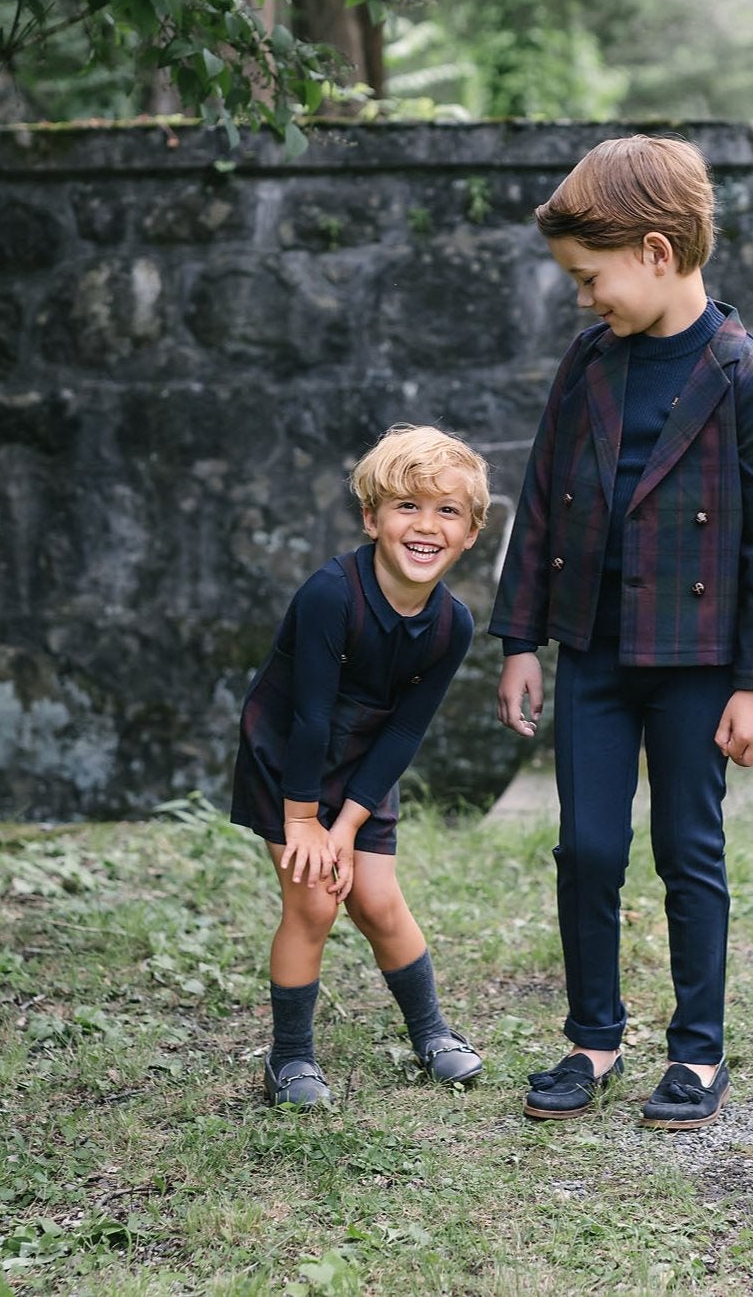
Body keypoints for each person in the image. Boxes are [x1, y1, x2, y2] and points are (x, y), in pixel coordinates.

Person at [491, 135, 753, 1131]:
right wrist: (518, 642)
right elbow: (541, 501)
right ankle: (592, 1037)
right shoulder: (589, 364)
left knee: (685, 846)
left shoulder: (745, 375)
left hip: (696, 663)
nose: (584, 298)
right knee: (584, 848)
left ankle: (697, 1053)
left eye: (591, 278)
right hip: (591, 654)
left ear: (656, 253)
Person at [232, 425, 491, 1107]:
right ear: (372, 518)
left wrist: (344, 826)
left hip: (365, 763)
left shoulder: (452, 624)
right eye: (406, 506)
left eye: (447, 511)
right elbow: (310, 717)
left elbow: (406, 728)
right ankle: (288, 1059)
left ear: (470, 533)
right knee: (314, 899)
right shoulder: (330, 594)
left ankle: (431, 1032)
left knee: (376, 898)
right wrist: (305, 821)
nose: (425, 525)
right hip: (288, 759)